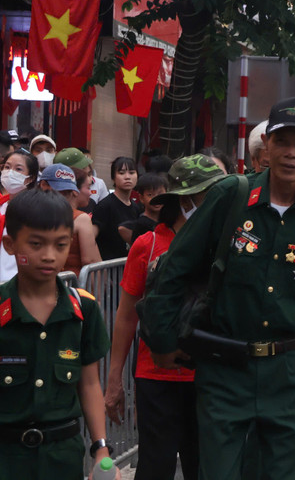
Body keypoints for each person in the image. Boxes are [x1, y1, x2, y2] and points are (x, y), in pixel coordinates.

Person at [140, 98, 295, 480]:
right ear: (266, 145)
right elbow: (174, 269)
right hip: (225, 370)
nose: (291, 153)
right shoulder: (230, 195)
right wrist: (163, 341)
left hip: (288, 374)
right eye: (282, 141)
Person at [106, 155, 226, 480]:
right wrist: (114, 380)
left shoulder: (225, 246)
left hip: (211, 377)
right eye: (209, 197)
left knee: (206, 468)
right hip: (156, 378)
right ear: (185, 201)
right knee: (155, 467)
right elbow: (126, 316)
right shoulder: (148, 245)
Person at [0, 189, 119, 480]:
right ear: (10, 244)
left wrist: (101, 450)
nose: (49, 256)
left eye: (61, 244)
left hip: (62, 456)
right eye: (36, 244)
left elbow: (89, 383)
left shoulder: (84, 309)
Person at [38, 164, 102, 276]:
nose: (90, 192)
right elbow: (90, 262)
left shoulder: (33, 213)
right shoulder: (81, 218)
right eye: (88, 187)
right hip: (72, 283)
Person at [0, 149, 40, 283]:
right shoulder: (2, 205)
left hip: (18, 283)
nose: (10, 172)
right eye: (7, 167)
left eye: (18, 169)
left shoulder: (36, 210)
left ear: (30, 178)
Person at [92, 157, 141, 260]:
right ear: (113, 177)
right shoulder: (104, 206)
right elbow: (90, 239)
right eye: (121, 173)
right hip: (107, 266)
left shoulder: (137, 208)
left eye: (132, 173)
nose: (127, 177)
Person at [118, 172, 168, 246]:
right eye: (150, 195)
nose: (156, 198)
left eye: (160, 194)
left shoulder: (170, 219)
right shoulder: (141, 225)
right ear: (141, 198)